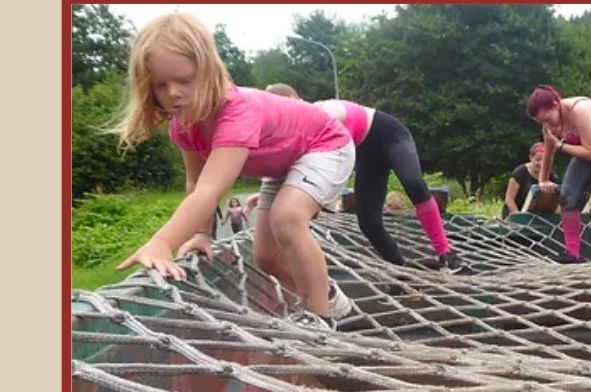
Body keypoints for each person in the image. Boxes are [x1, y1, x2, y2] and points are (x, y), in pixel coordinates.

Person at [111, 13, 354, 330]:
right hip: (283, 166)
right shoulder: (183, 126)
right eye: (161, 85)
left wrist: (162, 242)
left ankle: (321, 318)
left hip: (326, 146)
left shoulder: (237, 113)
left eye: (184, 80)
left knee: (287, 217)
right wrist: (202, 233)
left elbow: (211, 190)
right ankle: (329, 296)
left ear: (208, 73)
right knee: (266, 257)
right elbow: (196, 182)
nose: (173, 93)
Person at [246, 83, 469, 273]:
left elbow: (324, 165)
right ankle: (400, 270)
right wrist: (268, 195)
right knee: (369, 223)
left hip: (387, 135)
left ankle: (446, 254)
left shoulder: (323, 113)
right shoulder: (291, 133)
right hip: (364, 154)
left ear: (299, 101)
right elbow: (296, 167)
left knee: (414, 184)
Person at [525, 85, 591, 263]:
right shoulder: (549, 125)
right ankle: (573, 253)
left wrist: (561, 145)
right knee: (568, 195)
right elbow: (549, 151)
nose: (547, 126)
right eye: (542, 123)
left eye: (548, 119)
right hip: (584, 150)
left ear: (556, 105)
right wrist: (543, 180)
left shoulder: (578, 111)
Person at [502, 142, 559, 218]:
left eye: (544, 161)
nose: (540, 163)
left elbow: (557, 200)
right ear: (531, 158)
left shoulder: (551, 175)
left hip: (538, 216)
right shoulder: (520, 172)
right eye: (538, 160)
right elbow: (509, 199)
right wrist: (519, 217)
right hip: (514, 214)